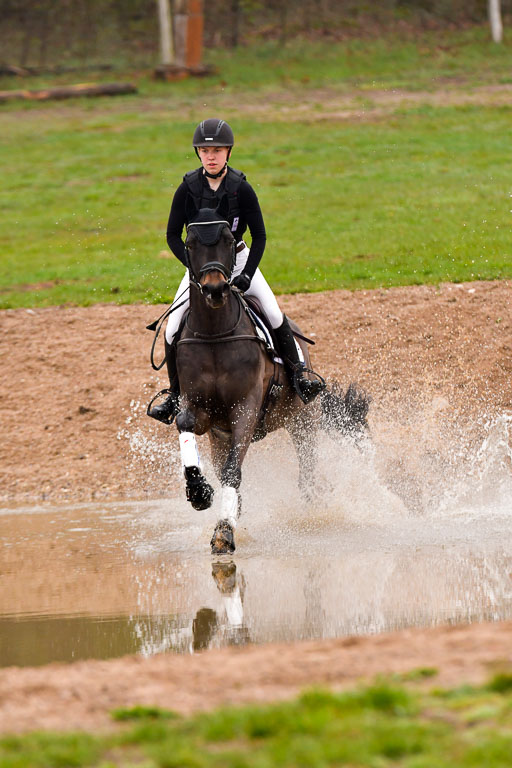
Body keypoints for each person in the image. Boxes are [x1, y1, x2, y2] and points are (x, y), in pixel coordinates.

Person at [148, 118, 325, 424]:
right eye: (205, 150)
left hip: (239, 260)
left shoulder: (240, 188)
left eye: (217, 150)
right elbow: (172, 237)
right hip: (202, 269)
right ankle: (174, 395)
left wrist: (246, 274)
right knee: (173, 324)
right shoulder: (187, 188)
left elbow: (260, 236)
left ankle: (300, 377)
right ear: (198, 154)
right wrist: (194, 270)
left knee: (274, 314)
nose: (211, 156)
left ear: (228, 152)